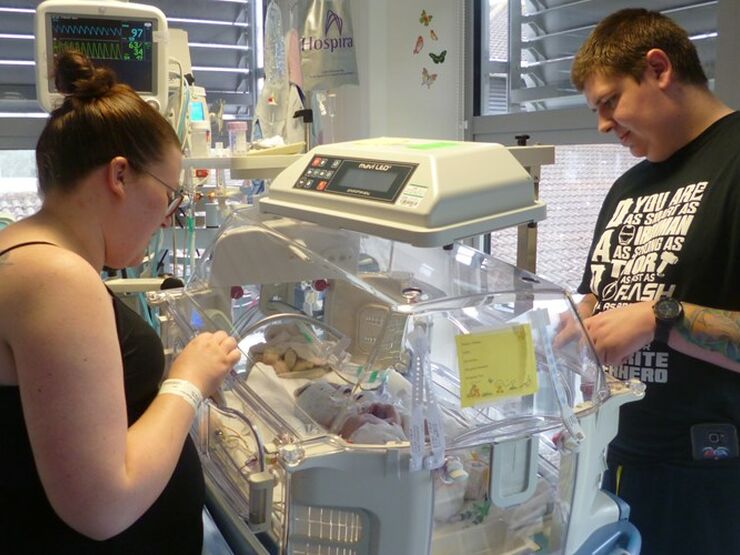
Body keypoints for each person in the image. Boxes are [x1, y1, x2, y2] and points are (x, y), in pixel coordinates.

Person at [0, 50, 241, 553]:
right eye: (171, 194)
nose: (170, 216)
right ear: (119, 176)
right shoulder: (56, 276)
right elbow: (104, 504)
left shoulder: (23, 252)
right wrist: (188, 382)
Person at [557, 8, 740, 554]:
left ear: (659, 69)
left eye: (610, 102)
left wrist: (662, 318)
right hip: (616, 457)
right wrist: (580, 321)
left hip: (708, 478)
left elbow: (650, 314)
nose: (603, 125)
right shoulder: (630, 185)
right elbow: (601, 290)